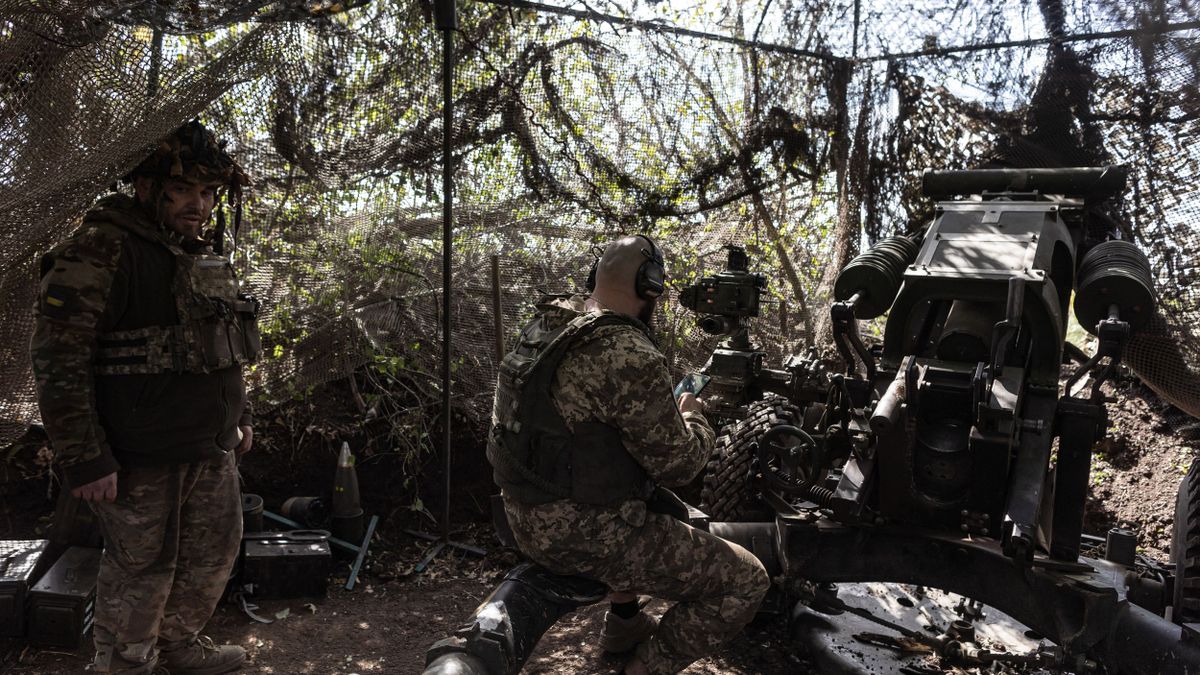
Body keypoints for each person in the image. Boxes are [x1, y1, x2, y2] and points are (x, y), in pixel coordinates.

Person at [30, 121, 261, 675]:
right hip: (138, 454)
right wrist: (86, 458)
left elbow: (223, 344)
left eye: (208, 192)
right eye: (184, 190)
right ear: (146, 187)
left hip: (209, 445)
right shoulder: (101, 249)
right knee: (142, 567)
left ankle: (178, 648)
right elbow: (59, 360)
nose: (198, 204)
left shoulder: (202, 255)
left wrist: (242, 414)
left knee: (212, 555)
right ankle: (124, 664)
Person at [488, 235, 770, 675]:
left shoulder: (547, 325)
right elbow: (681, 465)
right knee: (747, 579)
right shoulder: (626, 351)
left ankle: (624, 623)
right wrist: (695, 419)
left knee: (645, 496)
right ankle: (644, 669)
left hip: (522, 516)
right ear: (650, 285)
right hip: (581, 536)